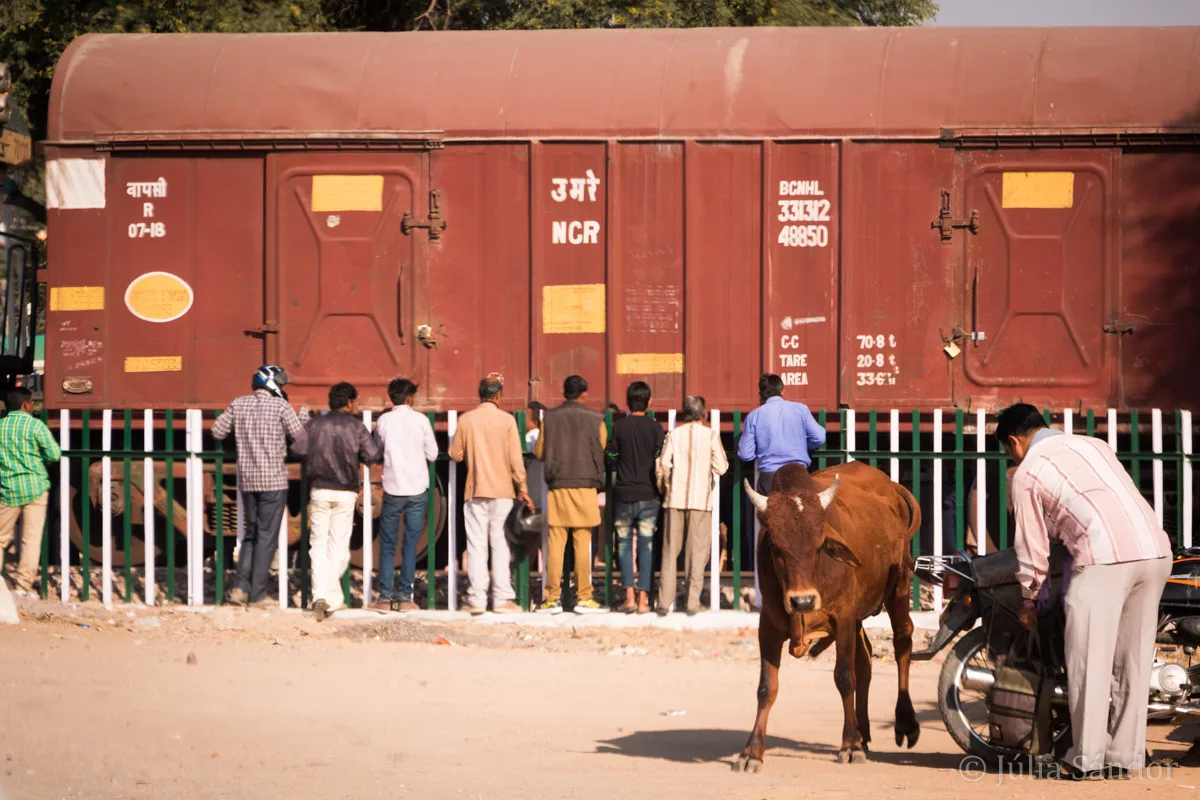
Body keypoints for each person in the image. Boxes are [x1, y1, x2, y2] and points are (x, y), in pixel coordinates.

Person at [998, 403, 1171, 779]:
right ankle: (1125, 757)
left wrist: (1030, 598)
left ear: (1014, 442)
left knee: (1088, 659)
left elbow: (1032, 546)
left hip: (1104, 558)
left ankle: (1086, 759)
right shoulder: (1095, 445)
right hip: (1155, 551)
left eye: (1007, 451)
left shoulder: (1027, 472)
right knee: (1132, 662)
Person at [212, 365, 308, 608]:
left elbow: (217, 431)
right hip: (273, 481)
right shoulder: (280, 406)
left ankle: (239, 589)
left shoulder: (238, 403)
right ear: (272, 383)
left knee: (250, 536)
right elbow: (301, 440)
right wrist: (305, 416)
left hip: (248, 481)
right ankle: (258, 595)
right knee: (267, 538)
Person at [449, 377, 532, 615]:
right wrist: (523, 488)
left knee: (476, 547)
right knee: (501, 546)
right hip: (503, 492)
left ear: (480, 395)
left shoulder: (466, 420)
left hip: (475, 492)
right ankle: (502, 599)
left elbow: (455, 455)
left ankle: (476, 599)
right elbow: (516, 460)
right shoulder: (506, 421)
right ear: (498, 397)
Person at [303, 382, 381, 621]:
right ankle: (331, 598)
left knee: (317, 545)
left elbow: (297, 447)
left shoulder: (314, 424)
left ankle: (320, 596)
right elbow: (373, 454)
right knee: (339, 546)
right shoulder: (356, 426)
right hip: (345, 492)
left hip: (318, 490)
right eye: (355, 401)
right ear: (348, 402)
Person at [534, 375, 608, 614]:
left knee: (556, 543)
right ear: (584, 394)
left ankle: (551, 598)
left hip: (559, 487)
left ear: (564, 392)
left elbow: (539, 451)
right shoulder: (596, 419)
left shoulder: (550, 418)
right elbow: (602, 445)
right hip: (586, 485)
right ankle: (584, 597)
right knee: (582, 542)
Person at [656, 395, 728, 615]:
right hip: (700, 502)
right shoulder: (711, 436)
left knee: (670, 552)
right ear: (703, 414)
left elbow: (663, 464)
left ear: (683, 413)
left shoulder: (674, 435)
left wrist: (666, 487)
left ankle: (663, 602)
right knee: (697, 553)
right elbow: (722, 467)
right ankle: (692, 603)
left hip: (674, 500)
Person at [370, 378, 437, 613]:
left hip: (393, 489)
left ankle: (385, 598)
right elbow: (433, 454)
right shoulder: (420, 420)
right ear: (410, 399)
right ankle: (406, 597)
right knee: (410, 544)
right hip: (418, 489)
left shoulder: (384, 420)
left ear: (392, 398)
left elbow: (377, 449)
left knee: (387, 544)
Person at [607, 381, 665, 614]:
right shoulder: (655, 428)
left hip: (623, 494)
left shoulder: (619, 428)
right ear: (649, 402)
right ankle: (643, 600)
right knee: (646, 547)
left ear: (627, 402)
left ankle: (629, 597)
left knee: (623, 545)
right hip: (649, 495)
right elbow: (661, 457)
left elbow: (610, 456)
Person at [0, 387, 61, 597]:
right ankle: (23, 586)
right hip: (35, 488)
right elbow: (54, 454)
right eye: (32, 402)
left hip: (7, 489)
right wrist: (37, 460)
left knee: (1, 538)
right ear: (26, 404)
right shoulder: (36, 426)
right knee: (31, 539)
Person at [737, 373, 826, 495]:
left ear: (761, 394)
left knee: (773, 514)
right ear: (782, 391)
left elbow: (745, 454)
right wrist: (803, 446)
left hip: (769, 478)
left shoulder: (753, 416)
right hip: (798, 474)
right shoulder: (801, 409)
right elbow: (820, 438)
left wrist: (763, 450)